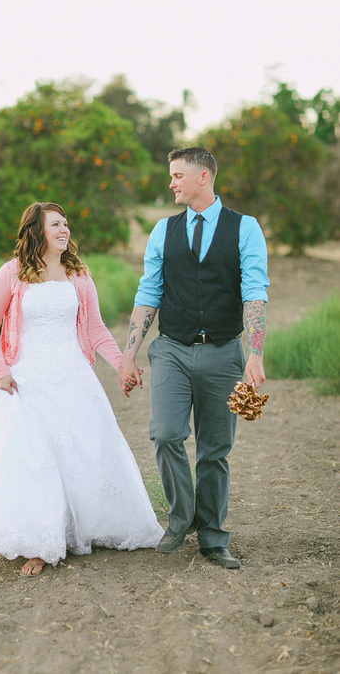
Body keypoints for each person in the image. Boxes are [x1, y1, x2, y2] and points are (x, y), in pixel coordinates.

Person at [0, 202, 163, 576]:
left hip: (74, 377)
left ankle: (86, 525)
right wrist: (1, 369)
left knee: (85, 452)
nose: (65, 229)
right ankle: (40, 541)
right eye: (55, 224)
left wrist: (122, 364)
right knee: (35, 457)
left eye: (66, 224)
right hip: (27, 379)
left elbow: (95, 330)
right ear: (36, 231)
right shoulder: (12, 273)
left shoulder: (78, 274)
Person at [118, 147, 269, 569]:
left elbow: (254, 292)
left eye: (178, 175)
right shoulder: (162, 231)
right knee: (166, 435)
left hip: (223, 352)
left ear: (204, 177)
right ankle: (180, 518)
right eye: (171, 175)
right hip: (172, 350)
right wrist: (129, 356)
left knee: (214, 450)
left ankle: (213, 536)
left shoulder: (245, 228)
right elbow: (148, 294)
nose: (171, 183)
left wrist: (255, 354)